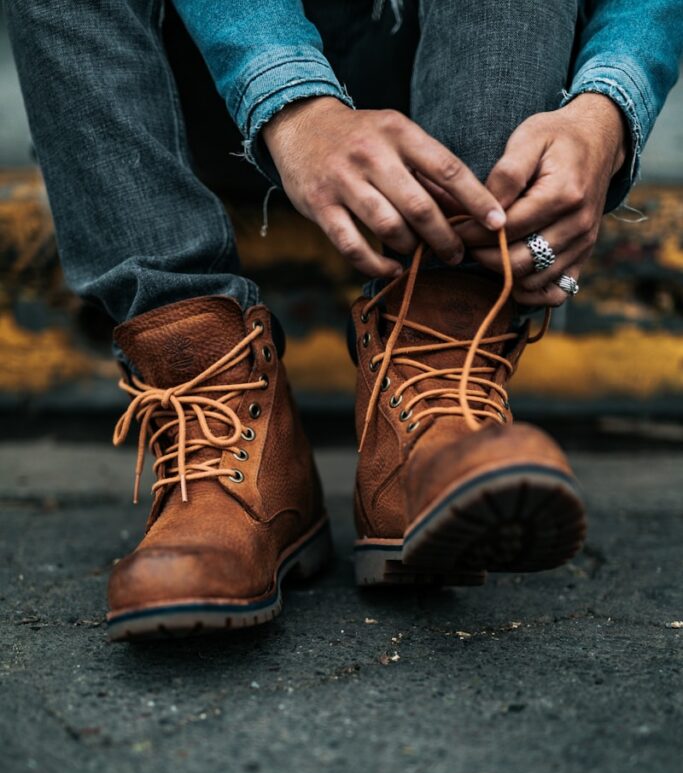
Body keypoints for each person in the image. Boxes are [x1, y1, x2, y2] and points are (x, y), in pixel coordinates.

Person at [7, 1, 682, 639]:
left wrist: (608, 105)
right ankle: (215, 422)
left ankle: (432, 393)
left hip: (465, 72)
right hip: (204, 90)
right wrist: (291, 100)